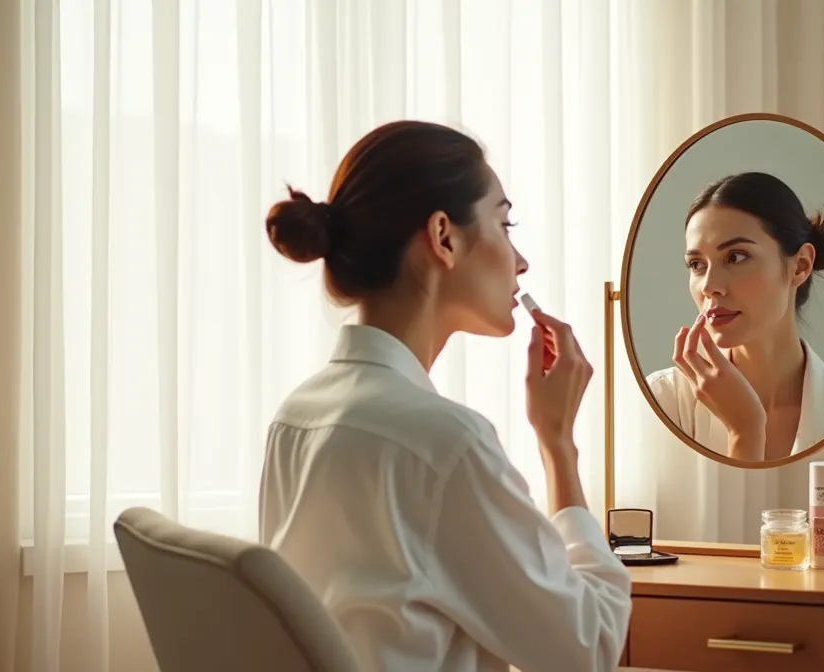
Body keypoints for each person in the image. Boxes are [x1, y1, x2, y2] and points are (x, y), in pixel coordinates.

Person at [257, 120, 630, 671]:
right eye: (506, 224)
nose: (521, 260)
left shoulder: (295, 418)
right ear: (444, 237)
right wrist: (558, 446)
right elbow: (589, 650)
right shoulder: (447, 445)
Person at [645, 171, 824, 463]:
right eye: (696, 264)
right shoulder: (666, 401)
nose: (709, 286)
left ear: (800, 265)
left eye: (735, 257)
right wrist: (744, 431)